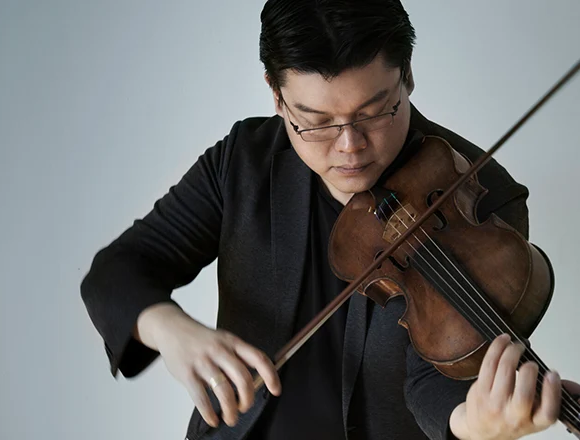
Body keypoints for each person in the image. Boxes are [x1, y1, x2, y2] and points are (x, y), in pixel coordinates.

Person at [80, 1, 580, 439]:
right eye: (316, 122)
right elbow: (118, 269)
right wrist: (172, 331)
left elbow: (438, 376)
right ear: (276, 97)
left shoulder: (478, 193)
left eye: (375, 112)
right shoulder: (245, 162)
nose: (349, 147)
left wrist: (476, 425)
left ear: (406, 74)